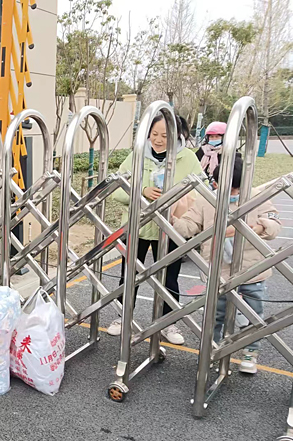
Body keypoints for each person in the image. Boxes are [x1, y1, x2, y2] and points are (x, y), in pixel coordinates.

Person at [172, 156, 281, 374]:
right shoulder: (206, 200)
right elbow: (188, 227)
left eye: (236, 189)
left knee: (253, 314)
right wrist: (174, 216)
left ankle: (250, 353)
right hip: (218, 271)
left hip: (252, 270)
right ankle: (213, 349)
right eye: (227, 188)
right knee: (216, 314)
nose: (232, 193)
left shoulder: (258, 197)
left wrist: (253, 228)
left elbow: (275, 225)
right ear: (216, 182)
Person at [108, 113, 203, 345]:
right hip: (137, 226)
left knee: (170, 277)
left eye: (165, 135)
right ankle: (123, 316)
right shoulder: (137, 155)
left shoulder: (188, 158)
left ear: (177, 135)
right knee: (129, 275)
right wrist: (141, 191)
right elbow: (116, 188)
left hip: (171, 228)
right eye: (154, 134)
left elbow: (200, 191)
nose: (159, 140)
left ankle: (168, 322)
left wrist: (177, 199)